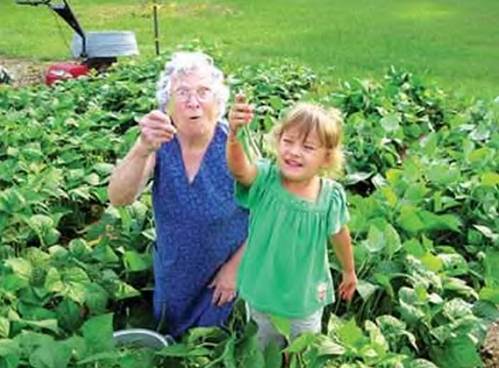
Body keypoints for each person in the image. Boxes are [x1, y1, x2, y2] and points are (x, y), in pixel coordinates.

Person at [107, 52, 248, 338]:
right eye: (181, 92)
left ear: (218, 102)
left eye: (203, 92)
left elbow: (269, 214)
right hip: (176, 274)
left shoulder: (235, 144)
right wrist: (141, 148)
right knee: (170, 339)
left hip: (225, 278)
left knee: (214, 345)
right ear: (167, 104)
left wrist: (236, 268)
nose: (192, 102)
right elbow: (119, 198)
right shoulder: (160, 143)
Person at [227, 96, 357, 349]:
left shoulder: (330, 196)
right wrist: (234, 136)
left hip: (304, 299)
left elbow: (339, 234)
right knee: (263, 351)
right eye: (288, 141)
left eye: (308, 147)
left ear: (326, 158)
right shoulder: (265, 180)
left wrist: (349, 270)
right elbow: (240, 170)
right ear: (277, 142)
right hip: (262, 294)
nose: (294, 152)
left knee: (302, 351)